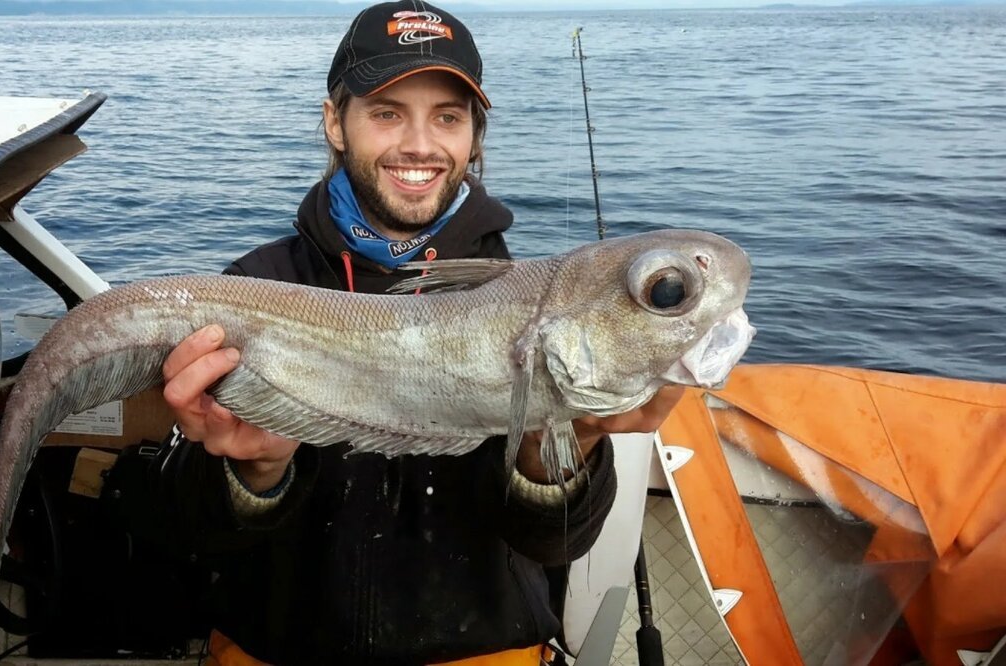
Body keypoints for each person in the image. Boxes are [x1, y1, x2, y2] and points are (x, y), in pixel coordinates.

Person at [145, 2, 684, 663]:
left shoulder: (533, 301)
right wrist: (255, 472)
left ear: (475, 139)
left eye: (448, 118)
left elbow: (554, 543)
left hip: (486, 650)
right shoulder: (253, 286)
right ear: (334, 123)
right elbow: (184, 534)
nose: (420, 145)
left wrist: (569, 441)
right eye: (387, 112)